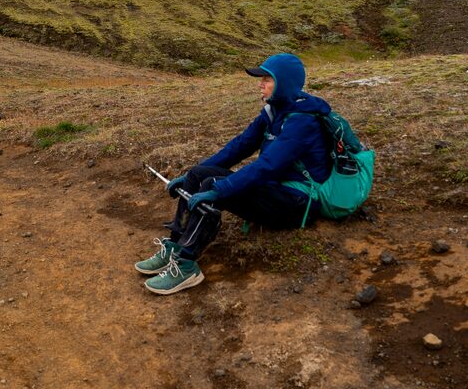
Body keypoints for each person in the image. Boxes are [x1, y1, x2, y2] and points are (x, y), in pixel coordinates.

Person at [135, 52, 333, 295]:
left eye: (267, 79)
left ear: (284, 83)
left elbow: (267, 165)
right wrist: (188, 178)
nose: (260, 83)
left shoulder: (302, 121)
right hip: (276, 189)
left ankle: (186, 265)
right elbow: (238, 147)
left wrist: (219, 190)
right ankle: (175, 246)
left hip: (298, 202)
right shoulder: (273, 112)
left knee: (212, 184)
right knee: (200, 174)